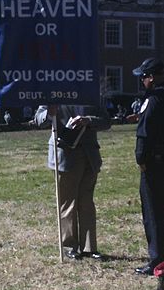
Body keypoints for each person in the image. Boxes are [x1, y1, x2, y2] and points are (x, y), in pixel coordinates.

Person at [130, 57, 164, 276]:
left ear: (151, 78)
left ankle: (156, 259)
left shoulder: (152, 99)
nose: (142, 81)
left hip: (156, 162)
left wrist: (140, 159)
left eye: (143, 77)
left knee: (153, 211)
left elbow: (145, 133)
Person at [37, 103, 111, 260]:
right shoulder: (53, 91)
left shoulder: (91, 92)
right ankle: (69, 246)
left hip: (89, 155)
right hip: (64, 154)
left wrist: (88, 120)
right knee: (67, 203)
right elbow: (38, 118)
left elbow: (106, 121)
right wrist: (50, 113)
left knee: (87, 203)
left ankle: (89, 247)